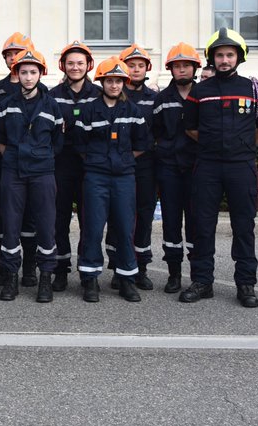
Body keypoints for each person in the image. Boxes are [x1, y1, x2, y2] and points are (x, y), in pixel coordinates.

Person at [181, 28, 258, 307]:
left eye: (229, 55)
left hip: (241, 167)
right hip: (208, 166)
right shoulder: (200, 91)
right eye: (220, 55)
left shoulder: (253, 88)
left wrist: (244, 146)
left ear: (239, 57)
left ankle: (246, 284)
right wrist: (214, 146)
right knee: (202, 226)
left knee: (243, 226)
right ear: (212, 58)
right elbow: (191, 128)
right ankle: (202, 282)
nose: (224, 60)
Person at [72, 57, 152, 303]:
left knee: (125, 228)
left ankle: (127, 279)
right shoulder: (88, 110)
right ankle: (90, 280)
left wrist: (123, 160)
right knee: (93, 229)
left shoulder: (133, 111)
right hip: (95, 177)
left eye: (118, 81)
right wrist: (100, 161)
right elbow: (79, 144)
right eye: (110, 81)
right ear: (102, 82)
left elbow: (142, 143)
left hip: (124, 178)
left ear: (124, 83)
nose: (114, 85)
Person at [0, 49, 64, 303]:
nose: (28, 77)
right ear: (17, 74)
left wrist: (40, 157)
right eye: (23, 72)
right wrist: (15, 157)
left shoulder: (52, 105)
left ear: (41, 74)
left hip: (42, 172)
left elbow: (58, 140)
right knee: (11, 226)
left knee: (46, 226)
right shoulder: (5, 105)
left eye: (33, 72)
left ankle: (45, 277)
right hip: (13, 171)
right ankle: (11, 277)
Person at [151, 43, 202, 295]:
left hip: (196, 168)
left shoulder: (203, 94)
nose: (181, 70)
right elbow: (156, 132)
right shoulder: (162, 99)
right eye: (177, 66)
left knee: (196, 222)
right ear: (170, 69)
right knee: (171, 222)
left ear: (195, 68)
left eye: (186, 65)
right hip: (169, 168)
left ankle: (196, 275)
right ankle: (173, 274)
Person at [0, 32, 40, 286]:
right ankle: (5, 266)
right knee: (4, 215)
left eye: (18, 54)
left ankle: (30, 267)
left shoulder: (41, 91)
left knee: (30, 216)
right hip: (5, 163)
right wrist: (10, 156)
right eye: (9, 55)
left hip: (33, 165)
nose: (13, 58)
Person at [50, 41, 99, 292]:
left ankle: (88, 273)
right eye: (71, 63)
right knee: (58, 219)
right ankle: (60, 269)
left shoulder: (99, 94)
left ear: (88, 65)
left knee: (89, 220)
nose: (75, 67)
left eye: (80, 63)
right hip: (61, 164)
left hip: (91, 166)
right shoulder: (53, 95)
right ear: (63, 66)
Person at [113, 44, 158, 291]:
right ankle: (117, 267)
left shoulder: (154, 99)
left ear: (147, 68)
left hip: (144, 167)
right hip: (116, 167)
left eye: (140, 65)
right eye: (132, 65)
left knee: (143, 216)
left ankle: (141, 268)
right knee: (117, 217)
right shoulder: (112, 95)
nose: (136, 69)